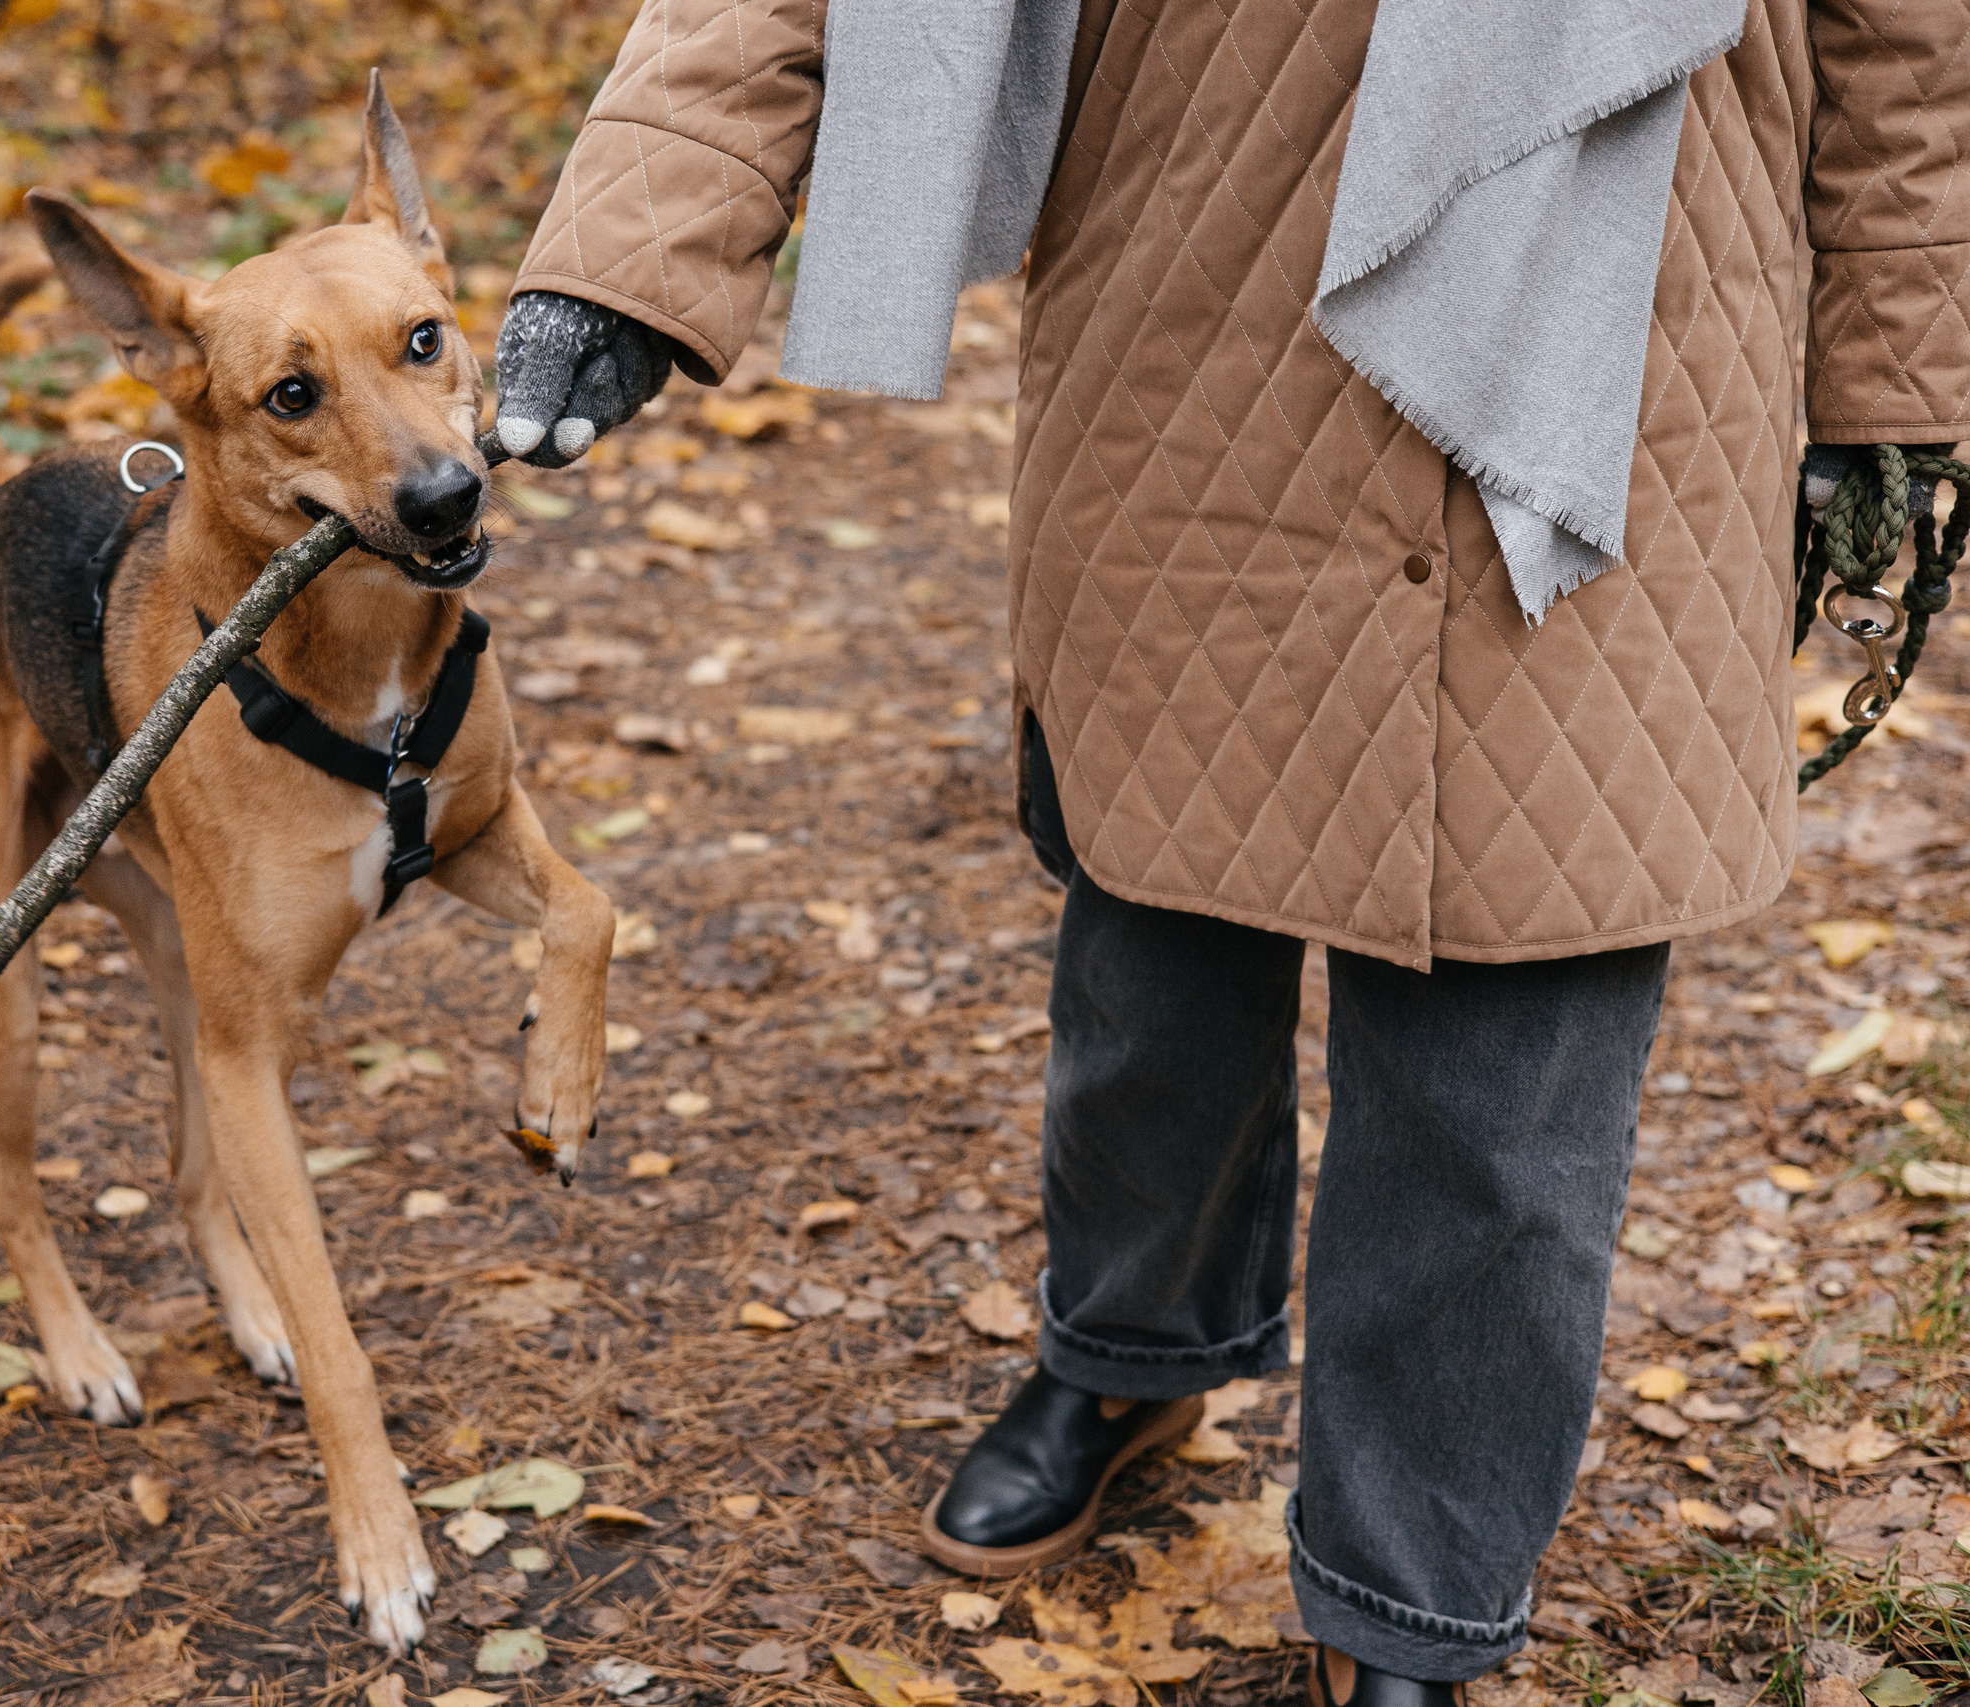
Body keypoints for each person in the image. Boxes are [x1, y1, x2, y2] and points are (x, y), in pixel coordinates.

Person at [489, 3, 1970, 1701]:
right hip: (1195, 306)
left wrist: (1899, 374)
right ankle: (1131, 1351)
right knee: (1155, 974)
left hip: (1637, 350)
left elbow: (1911, 28)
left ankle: (1411, 1598)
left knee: (1514, 1070)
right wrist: (635, 240)